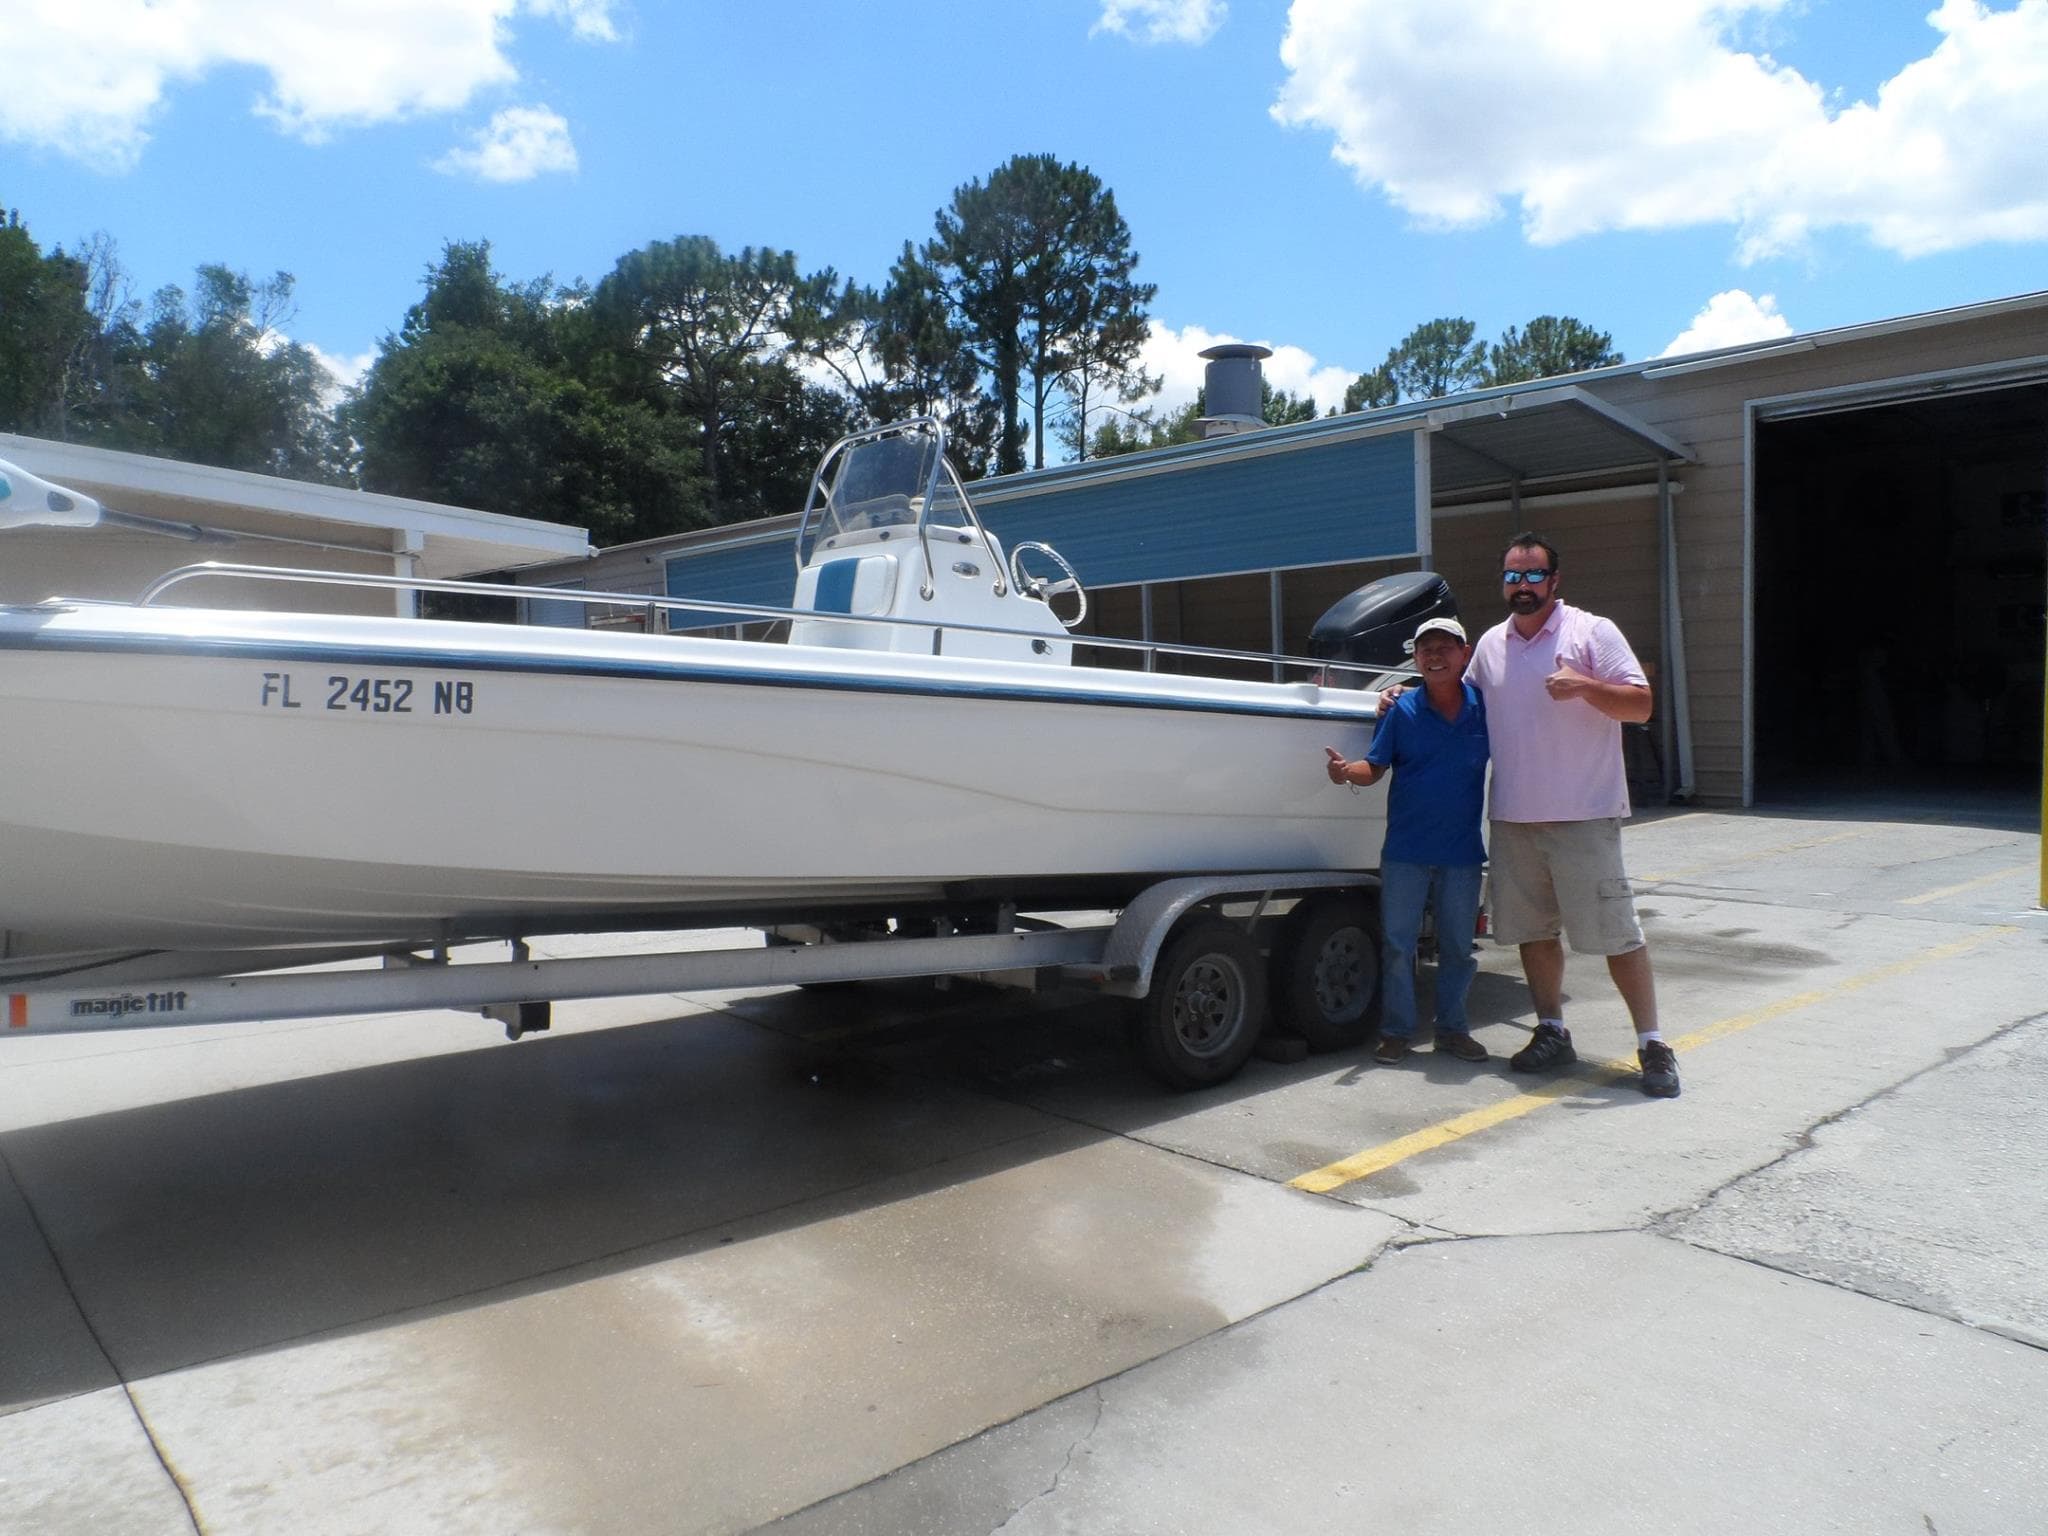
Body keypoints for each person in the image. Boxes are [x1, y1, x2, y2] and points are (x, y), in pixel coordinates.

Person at [1462, 533, 1680, 1097]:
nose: (1523, 585)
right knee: (1533, 935)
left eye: (1534, 575)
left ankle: (1653, 1044)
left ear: (1554, 581)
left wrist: (1585, 685)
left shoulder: (1592, 631)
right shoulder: (1490, 645)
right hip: (1514, 817)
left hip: (1585, 815)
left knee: (1617, 935)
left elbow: (1641, 705)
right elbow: (1458, 704)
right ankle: (1552, 1030)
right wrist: (1397, 698)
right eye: (1513, 575)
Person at [1325, 616, 1490, 1065]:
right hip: (1405, 850)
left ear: (1465, 654)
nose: (1435, 656)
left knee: (1458, 948)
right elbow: (1374, 767)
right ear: (1415, 659)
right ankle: (1396, 1032)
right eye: (1425, 650)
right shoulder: (1399, 709)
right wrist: (1346, 772)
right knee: (1398, 946)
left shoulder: (1486, 707)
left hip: (1462, 852)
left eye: (1445, 648)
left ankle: (1452, 1030)